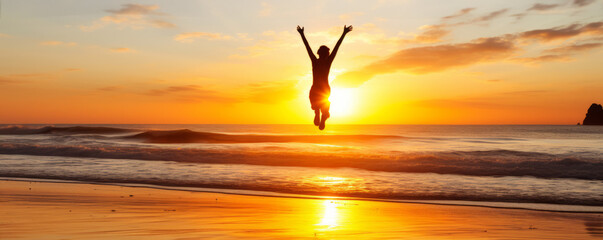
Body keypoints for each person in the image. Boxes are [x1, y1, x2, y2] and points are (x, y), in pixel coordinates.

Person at [297, 25, 352, 130]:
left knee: (315, 104)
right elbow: (337, 47)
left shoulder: (315, 61)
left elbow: (307, 47)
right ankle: (323, 115)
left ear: (319, 53)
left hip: (315, 88)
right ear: (327, 54)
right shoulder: (327, 62)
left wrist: (302, 34)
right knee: (324, 105)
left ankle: (318, 113)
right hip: (325, 88)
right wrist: (344, 33)